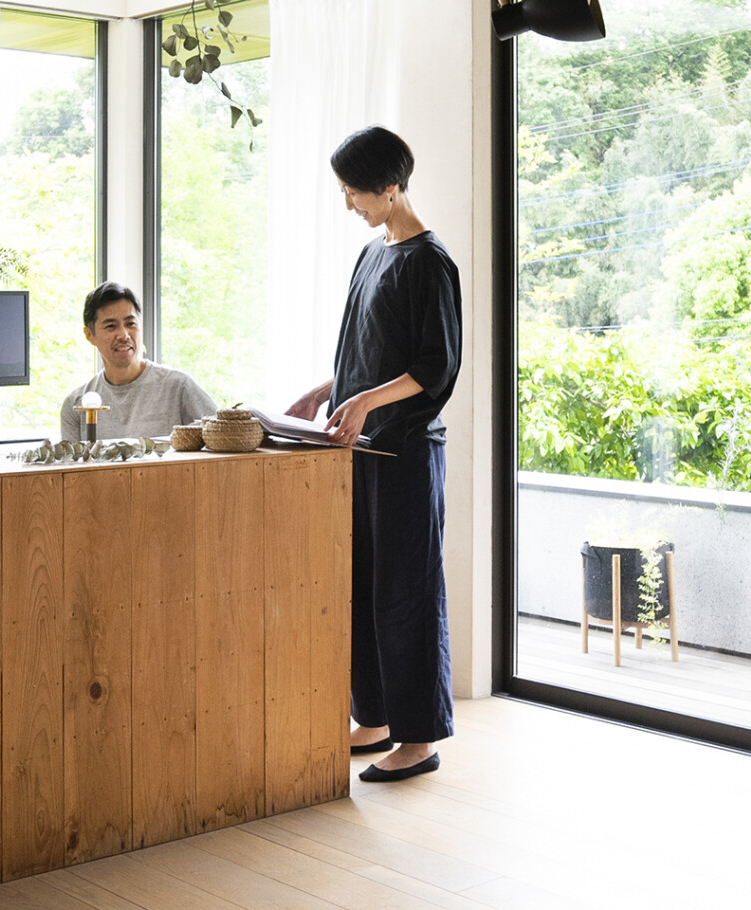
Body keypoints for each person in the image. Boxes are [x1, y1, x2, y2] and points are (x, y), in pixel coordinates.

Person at [285, 126, 461, 783]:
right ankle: (377, 715)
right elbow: (365, 355)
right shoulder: (371, 253)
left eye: (356, 192)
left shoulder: (429, 262)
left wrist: (366, 403)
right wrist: (326, 390)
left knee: (407, 595)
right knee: (361, 585)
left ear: (390, 188)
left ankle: (418, 738)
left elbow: (432, 367)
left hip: (407, 453)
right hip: (362, 449)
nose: (350, 203)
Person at [59, 281, 218, 440]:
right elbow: (72, 464)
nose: (124, 335)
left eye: (130, 324)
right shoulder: (75, 406)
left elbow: (225, 439)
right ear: (89, 335)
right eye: (111, 326)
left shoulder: (179, 387)